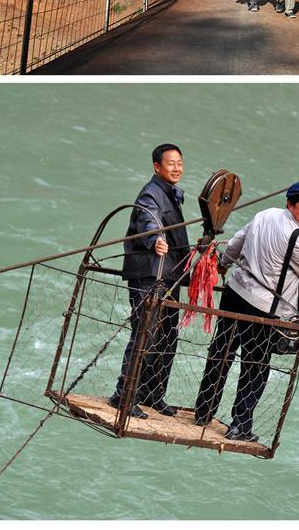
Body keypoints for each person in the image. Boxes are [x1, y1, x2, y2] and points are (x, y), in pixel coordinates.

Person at [194, 181, 299, 442]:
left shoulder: (264, 215)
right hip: (262, 307)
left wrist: (222, 265)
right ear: (290, 204)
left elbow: (235, 243)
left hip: (234, 292)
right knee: (255, 366)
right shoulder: (298, 239)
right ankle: (240, 426)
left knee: (221, 351)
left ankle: (203, 411)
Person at [109, 144, 190, 419]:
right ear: (157, 166)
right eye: (171, 163)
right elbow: (148, 221)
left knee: (168, 337)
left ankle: (152, 394)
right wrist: (154, 239)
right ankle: (124, 395)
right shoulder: (150, 194)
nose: (177, 168)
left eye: (180, 163)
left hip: (168, 277)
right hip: (149, 276)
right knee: (145, 334)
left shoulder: (172, 194)